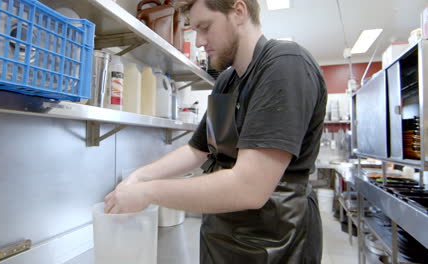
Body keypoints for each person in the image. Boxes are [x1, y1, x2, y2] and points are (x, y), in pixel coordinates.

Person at [104, 0, 327, 263]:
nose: (199, 41)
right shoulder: (226, 82)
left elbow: (250, 188)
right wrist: (138, 178)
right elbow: (196, 150)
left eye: (205, 27)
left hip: (276, 242)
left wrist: (148, 192)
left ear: (239, 11)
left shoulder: (285, 65)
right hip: (221, 237)